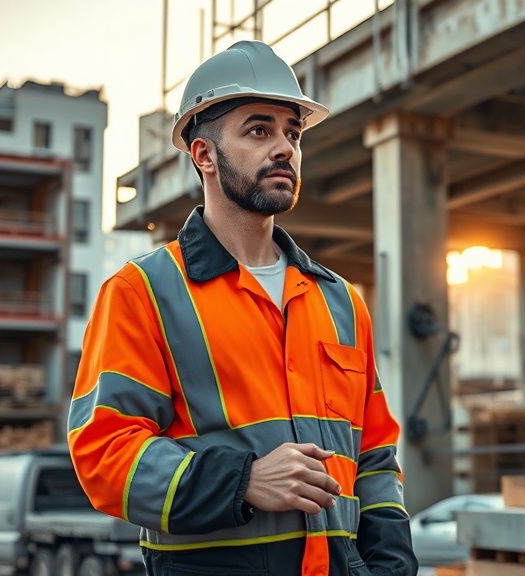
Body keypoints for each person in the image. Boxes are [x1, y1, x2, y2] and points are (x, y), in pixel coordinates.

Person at [67, 40, 417, 576]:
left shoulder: (341, 302)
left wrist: (392, 567)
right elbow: (103, 452)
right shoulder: (144, 291)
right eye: (259, 130)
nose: (285, 149)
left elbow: (372, 456)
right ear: (204, 155)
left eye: (292, 134)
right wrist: (244, 481)